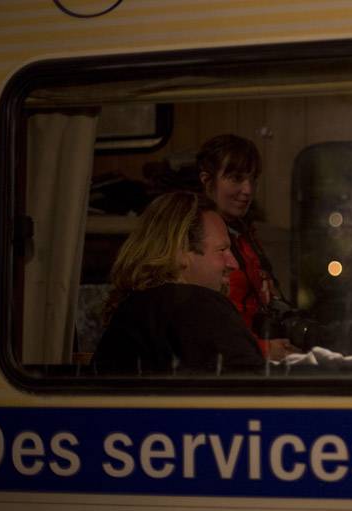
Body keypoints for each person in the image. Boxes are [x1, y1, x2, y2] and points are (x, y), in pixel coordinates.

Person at [93, 192, 264, 373]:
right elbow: (252, 387)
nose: (234, 264)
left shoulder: (133, 308)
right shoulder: (197, 305)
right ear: (181, 251)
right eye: (222, 250)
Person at [196, 134, 299, 359]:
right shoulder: (191, 238)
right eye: (236, 178)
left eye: (253, 180)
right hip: (231, 356)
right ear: (206, 180)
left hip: (248, 348)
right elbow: (201, 326)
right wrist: (262, 350)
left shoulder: (245, 234)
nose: (248, 190)